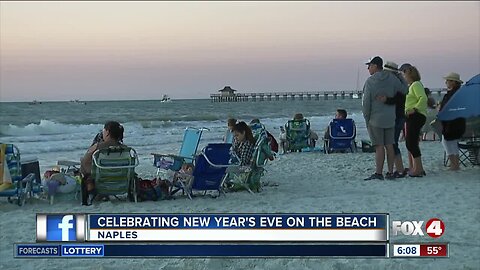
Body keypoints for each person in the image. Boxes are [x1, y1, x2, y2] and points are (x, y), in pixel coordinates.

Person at [362, 56, 404, 180]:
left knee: (379, 146)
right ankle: (390, 172)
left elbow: (366, 102)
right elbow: (405, 90)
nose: (368, 68)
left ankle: (379, 173)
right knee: (390, 145)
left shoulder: (370, 81)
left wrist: (366, 117)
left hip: (375, 119)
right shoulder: (392, 79)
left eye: (369, 66)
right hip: (390, 118)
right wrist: (399, 75)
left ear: (375, 66)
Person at [80, 121, 126, 205]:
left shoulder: (98, 147)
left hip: (101, 182)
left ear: (107, 132)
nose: (102, 132)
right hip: (120, 182)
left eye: (103, 130)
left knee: (85, 170)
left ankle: (93, 192)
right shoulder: (125, 149)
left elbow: (84, 162)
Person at [376, 61, 409, 178]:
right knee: (392, 143)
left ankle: (399, 169)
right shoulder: (400, 82)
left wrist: (386, 100)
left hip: (397, 116)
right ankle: (399, 168)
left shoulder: (397, 84)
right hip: (399, 116)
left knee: (392, 143)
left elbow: (398, 100)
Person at [403, 66, 428, 177]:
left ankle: (418, 169)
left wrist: (415, 109)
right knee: (411, 142)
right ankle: (418, 168)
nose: (404, 77)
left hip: (416, 116)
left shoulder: (416, 85)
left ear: (410, 74)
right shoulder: (412, 86)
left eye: (405, 74)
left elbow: (423, 98)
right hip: (413, 116)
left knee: (411, 143)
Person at [438, 72, 466, 171]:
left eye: (448, 81)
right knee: (453, 142)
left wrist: (440, 109)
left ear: (453, 82)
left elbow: (447, 107)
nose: (446, 82)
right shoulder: (459, 93)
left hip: (452, 122)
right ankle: (455, 164)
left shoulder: (452, 94)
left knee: (446, 141)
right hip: (457, 122)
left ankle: (454, 164)